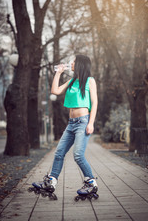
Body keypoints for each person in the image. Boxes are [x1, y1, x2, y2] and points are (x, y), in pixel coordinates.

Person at [32, 54, 98, 197]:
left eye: (73, 61)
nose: (71, 63)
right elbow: (55, 91)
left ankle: (91, 183)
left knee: (78, 155)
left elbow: (94, 102)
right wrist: (58, 73)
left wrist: (91, 123)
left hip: (83, 122)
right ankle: (51, 182)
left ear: (80, 64)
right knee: (59, 153)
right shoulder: (72, 81)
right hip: (71, 124)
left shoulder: (90, 81)